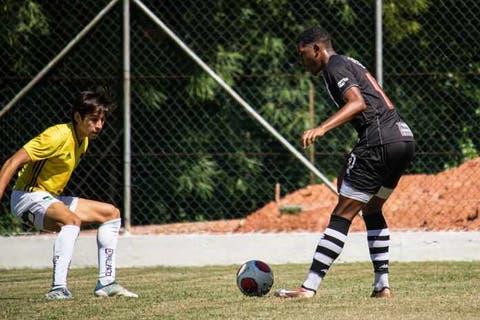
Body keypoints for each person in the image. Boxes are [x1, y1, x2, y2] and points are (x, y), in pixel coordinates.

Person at [275, 26, 415, 299]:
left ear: (317, 49)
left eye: (303, 54)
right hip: (403, 139)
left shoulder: (334, 67)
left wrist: (322, 128)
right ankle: (382, 286)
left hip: (379, 141)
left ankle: (308, 288)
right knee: (372, 209)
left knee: (342, 214)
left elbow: (357, 102)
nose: (302, 61)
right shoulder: (350, 62)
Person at [0, 88, 138, 300]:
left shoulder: (83, 140)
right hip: (26, 197)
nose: (99, 125)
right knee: (71, 220)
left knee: (111, 213)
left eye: (102, 120)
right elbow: (12, 162)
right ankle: (58, 289)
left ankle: (106, 282)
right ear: (77, 117)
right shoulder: (55, 136)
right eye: (93, 119)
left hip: (49, 198)